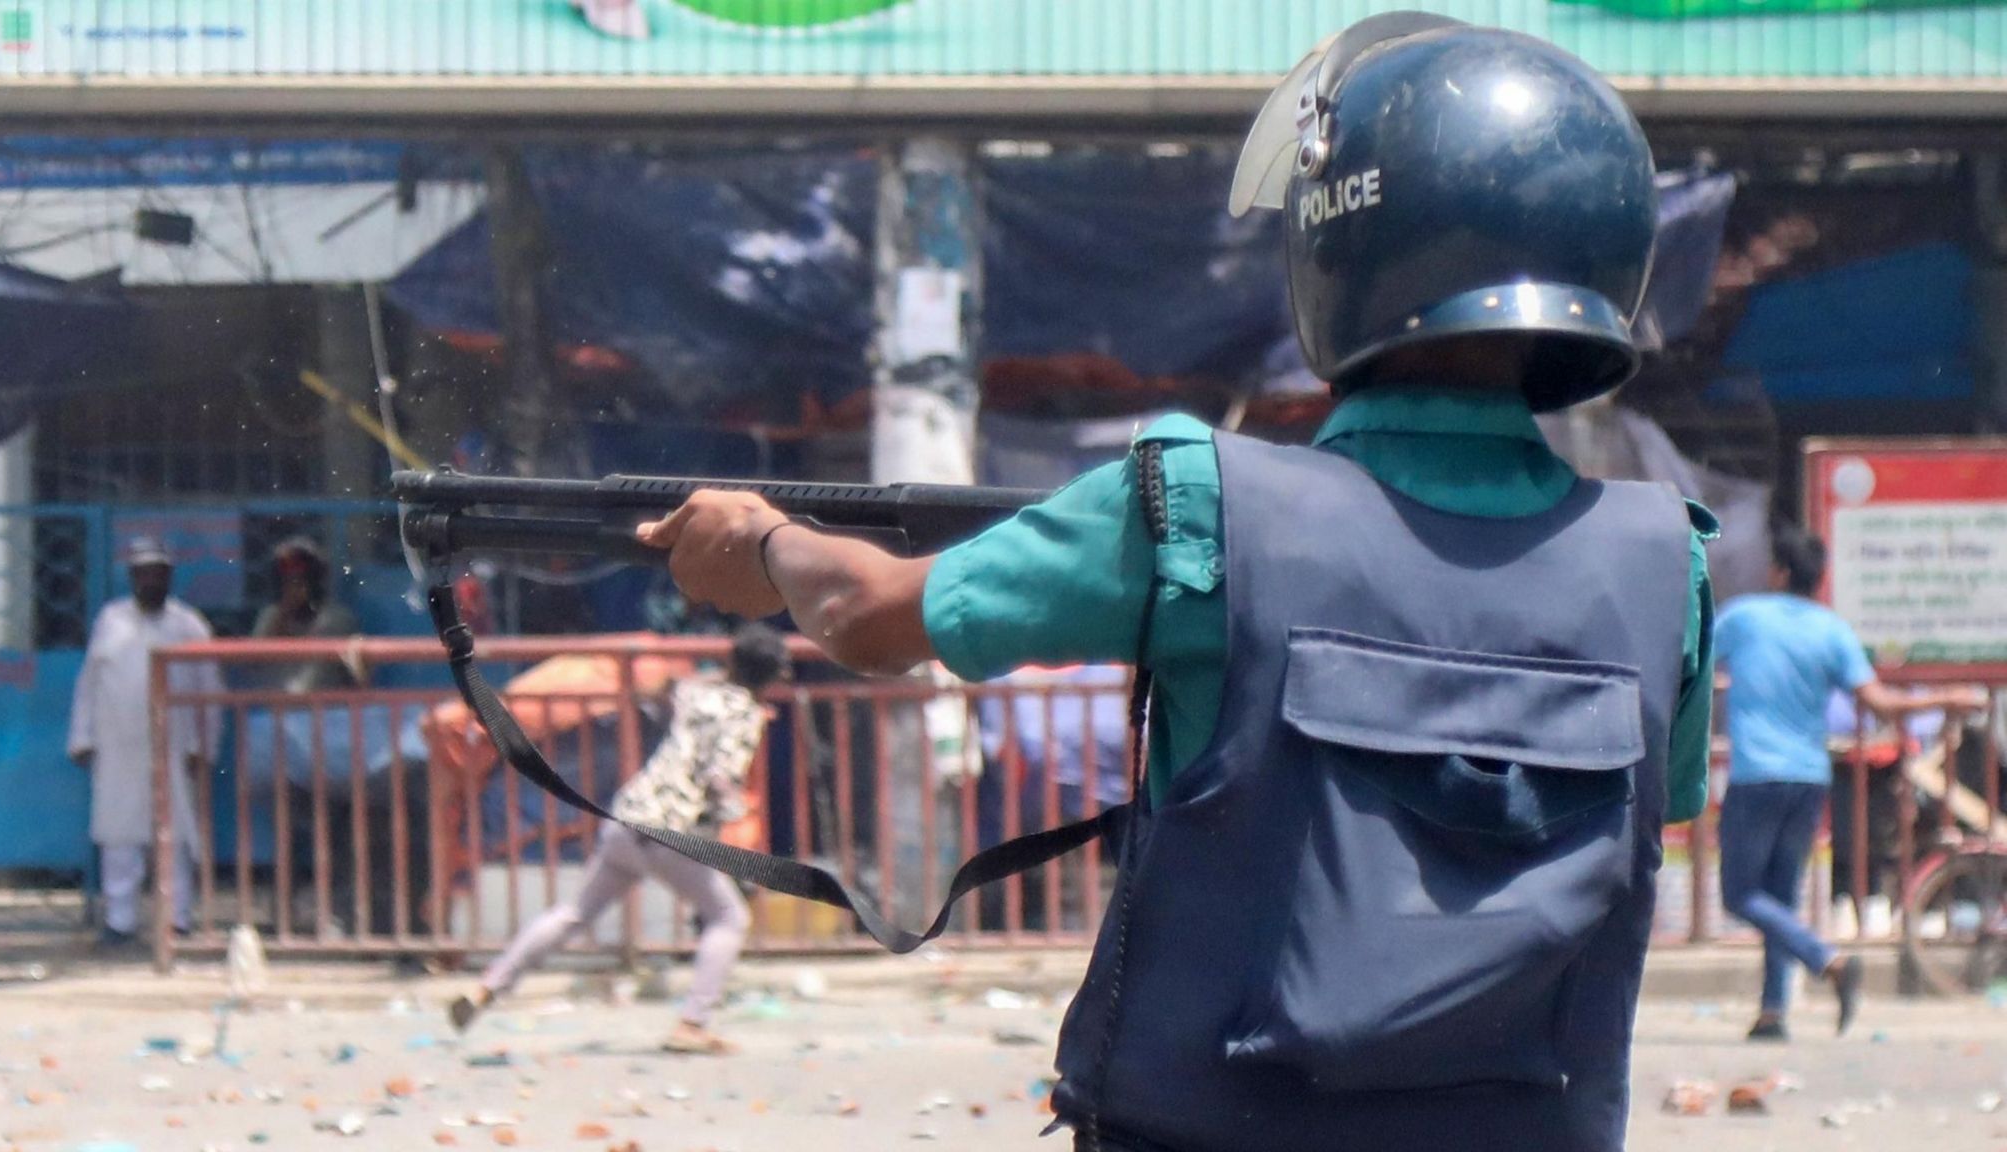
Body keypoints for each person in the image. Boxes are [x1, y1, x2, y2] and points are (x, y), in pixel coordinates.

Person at [636, 15, 1716, 1150]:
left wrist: (761, 540)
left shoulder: (1199, 501)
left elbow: (868, 614)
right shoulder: (1663, 562)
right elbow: (1656, 806)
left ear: (1340, 248)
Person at [449, 623, 790, 1054]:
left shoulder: (697, 694)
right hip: (672, 830)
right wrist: (736, 817)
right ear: (773, 677)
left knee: (575, 912)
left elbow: (667, 686)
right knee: (729, 918)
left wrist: (716, 675)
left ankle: (488, 988)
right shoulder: (744, 714)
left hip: (628, 817)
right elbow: (720, 774)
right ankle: (693, 1023)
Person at [1714, 526, 1985, 1041]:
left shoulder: (1745, 616)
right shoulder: (1831, 630)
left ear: (1780, 572)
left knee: (1740, 894)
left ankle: (1825, 957)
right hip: (1810, 777)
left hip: (1756, 775)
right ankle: (1773, 1012)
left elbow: (1692, 662)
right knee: (1780, 895)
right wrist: (1946, 698)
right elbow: (1881, 704)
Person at [68, 537, 223, 947]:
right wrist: (82, 736)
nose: (150, 580)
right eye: (143, 573)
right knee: (119, 834)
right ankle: (120, 920)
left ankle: (177, 918)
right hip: (118, 744)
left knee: (175, 833)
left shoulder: (189, 625)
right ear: (132, 577)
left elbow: (210, 689)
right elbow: (90, 683)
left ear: (169, 577)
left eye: (158, 572)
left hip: (174, 744)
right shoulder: (111, 620)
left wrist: (204, 747)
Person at [250, 535, 363, 694]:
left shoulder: (337, 620)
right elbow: (253, 664)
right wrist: (284, 614)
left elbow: (356, 676)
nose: (294, 587)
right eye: (288, 581)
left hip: (326, 711)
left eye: (300, 580)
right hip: (275, 710)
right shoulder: (270, 616)